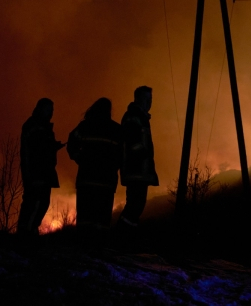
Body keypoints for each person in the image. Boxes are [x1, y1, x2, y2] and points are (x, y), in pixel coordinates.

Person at [67, 98, 122, 237]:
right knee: (102, 219)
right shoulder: (116, 129)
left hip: (86, 180)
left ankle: (83, 248)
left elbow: (71, 142)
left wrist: (79, 158)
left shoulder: (85, 126)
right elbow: (122, 154)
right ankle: (99, 246)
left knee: (86, 218)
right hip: (106, 183)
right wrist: (115, 166)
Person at [17, 98, 65, 235]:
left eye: (52, 110)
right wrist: (52, 147)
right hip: (36, 170)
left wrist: (53, 146)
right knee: (34, 201)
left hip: (44, 171)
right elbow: (37, 148)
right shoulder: (34, 125)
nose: (51, 113)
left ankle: (30, 229)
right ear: (40, 109)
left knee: (42, 202)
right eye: (48, 109)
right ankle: (26, 231)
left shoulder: (42, 126)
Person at [116, 86, 159, 232]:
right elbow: (132, 142)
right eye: (146, 99)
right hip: (135, 170)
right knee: (134, 206)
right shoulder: (133, 116)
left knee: (137, 206)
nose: (149, 102)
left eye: (150, 99)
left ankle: (126, 239)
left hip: (141, 171)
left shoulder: (140, 117)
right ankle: (120, 237)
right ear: (138, 99)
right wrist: (143, 154)